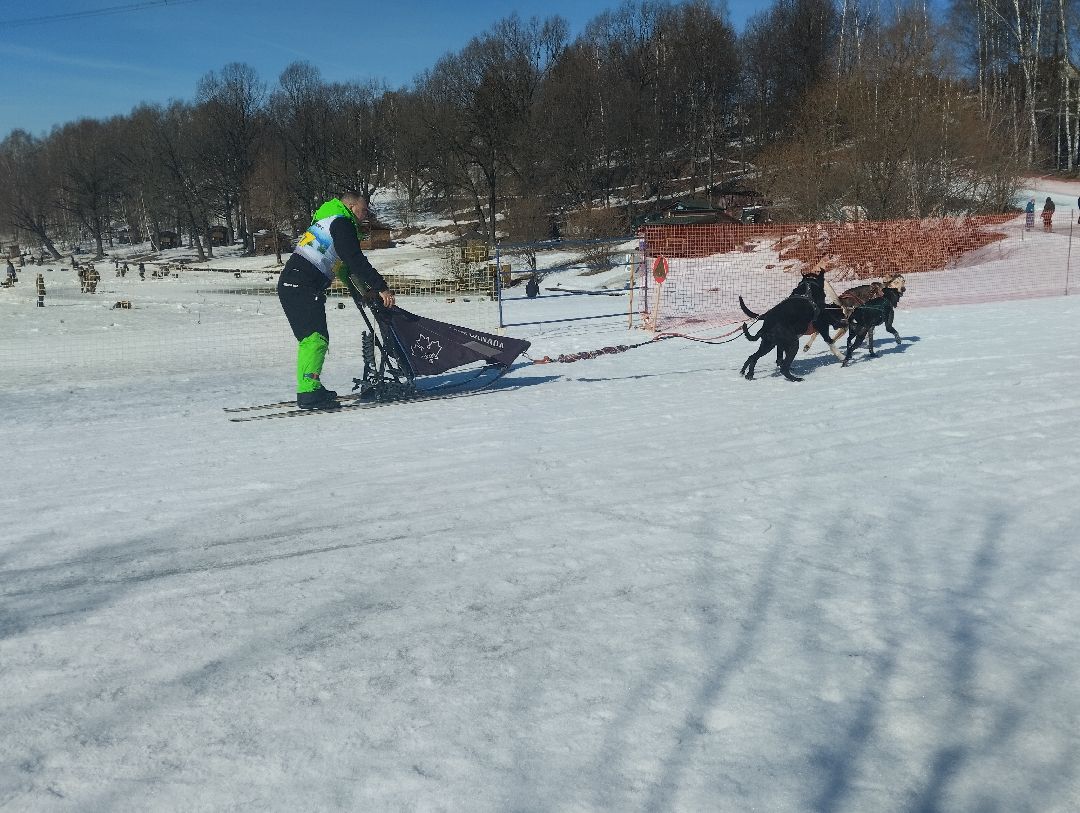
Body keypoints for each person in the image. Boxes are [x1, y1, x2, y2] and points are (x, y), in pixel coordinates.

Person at [278, 192, 395, 409]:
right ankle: (308, 393)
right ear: (351, 206)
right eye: (363, 209)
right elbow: (355, 259)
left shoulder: (328, 219)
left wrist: (361, 292)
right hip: (301, 286)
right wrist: (381, 286)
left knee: (312, 339)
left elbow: (343, 267)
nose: (365, 214)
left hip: (294, 285)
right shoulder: (342, 223)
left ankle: (310, 386)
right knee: (315, 339)